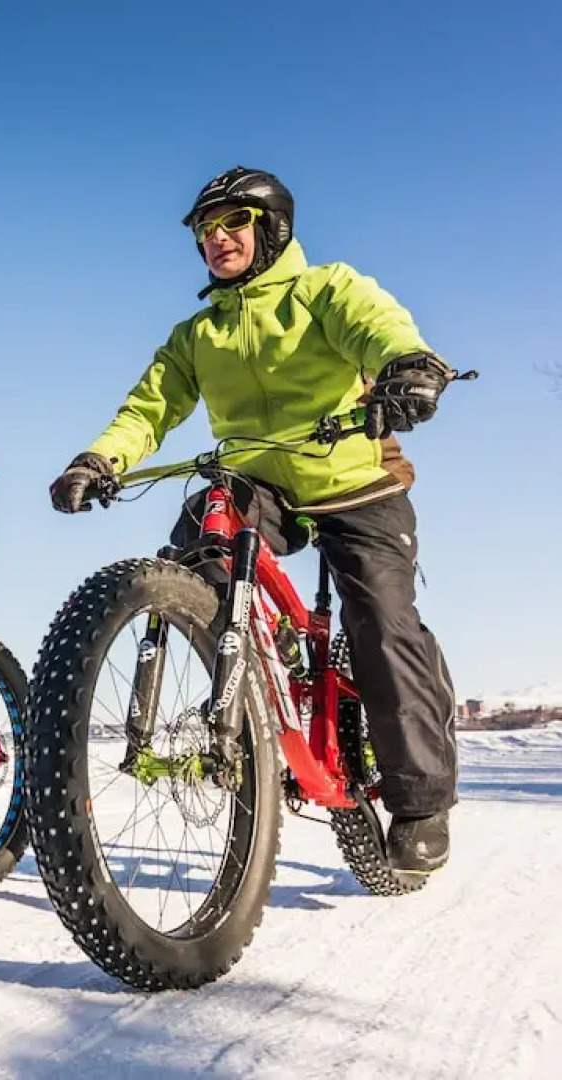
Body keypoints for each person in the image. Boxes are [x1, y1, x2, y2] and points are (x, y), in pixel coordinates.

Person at [48, 166, 458, 874]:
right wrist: (98, 459)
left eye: (232, 222)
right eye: (205, 229)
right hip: (259, 480)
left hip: (353, 482)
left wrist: (408, 367)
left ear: (270, 228)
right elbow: (148, 409)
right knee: (196, 541)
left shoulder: (325, 289)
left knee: (381, 626)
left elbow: (379, 328)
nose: (216, 238)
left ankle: (419, 800)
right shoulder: (196, 333)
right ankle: (245, 682)